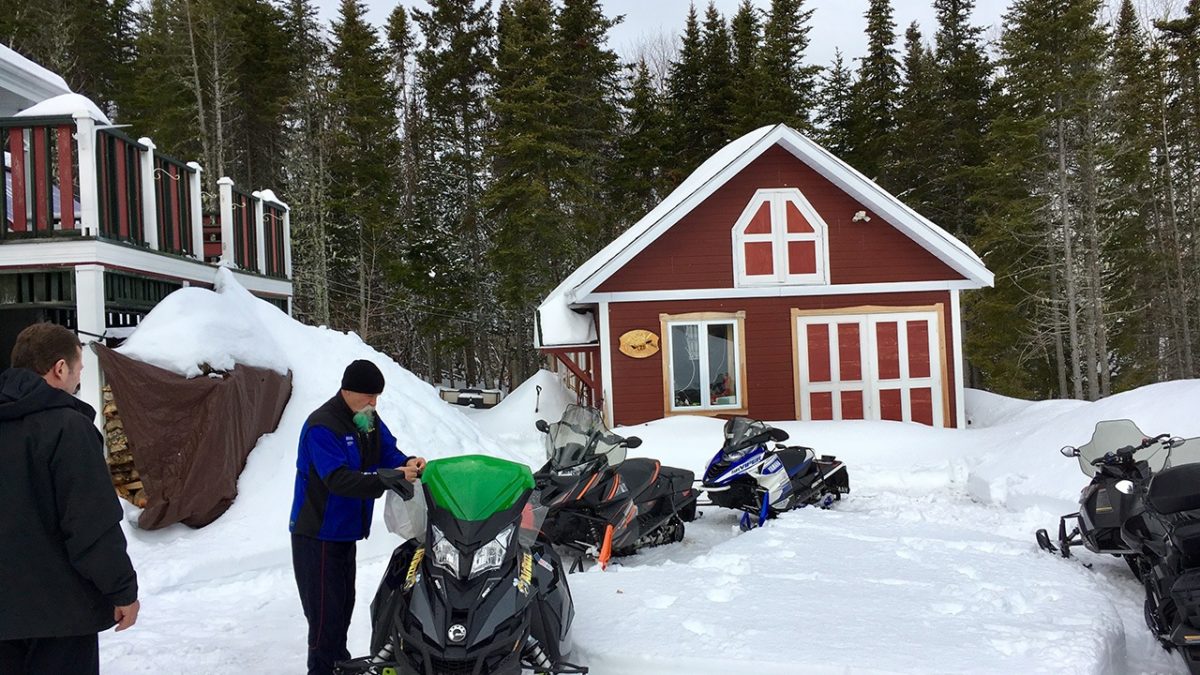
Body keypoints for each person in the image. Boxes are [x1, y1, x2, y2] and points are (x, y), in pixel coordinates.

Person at [0, 322, 140, 675]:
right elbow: (90, 525)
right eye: (78, 369)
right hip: (60, 618)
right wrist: (122, 590)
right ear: (59, 368)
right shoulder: (67, 428)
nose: (79, 380)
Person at [289, 359, 426, 675]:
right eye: (368, 396)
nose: (374, 403)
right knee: (325, 619)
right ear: (347, 390)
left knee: (342, 610)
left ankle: (338, 666)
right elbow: (337, 479)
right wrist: (387, 478)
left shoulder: (366, 418)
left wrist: (407, 462)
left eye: (377, 397)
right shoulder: (323, 426)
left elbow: (386, 452)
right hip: (317, 535)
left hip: (344, 533)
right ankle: (322, 669)